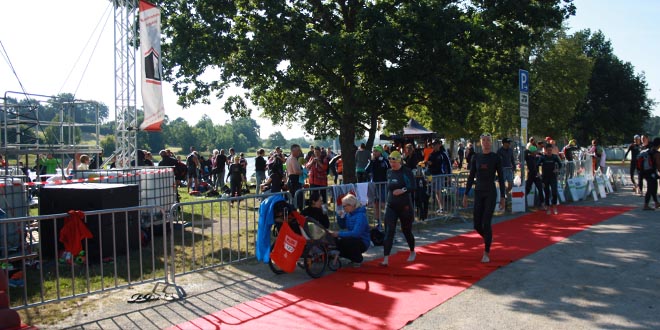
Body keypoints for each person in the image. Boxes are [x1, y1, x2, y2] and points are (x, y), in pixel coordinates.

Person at [462, 133, 506, 263]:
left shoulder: (495, 157)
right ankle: (488, 238)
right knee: (477, 224)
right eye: (484, 140)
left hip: (490, 192)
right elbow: (471, 177)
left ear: (491, 143)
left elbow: (502, 179)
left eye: (488, 140)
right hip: (479, 192)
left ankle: (486, 252)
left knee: (486, 222)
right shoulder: (476, 157)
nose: (486, 143)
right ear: (480, 143)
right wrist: (465, 194)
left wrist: (503, 196)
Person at [379, 150, 416, 267]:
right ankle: (385, 259)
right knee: (389, 231)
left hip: (404, 205)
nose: (392, 164)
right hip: (391, 205)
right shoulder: (389, 172)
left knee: (406, 230)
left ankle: (412, 251)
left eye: (394, 162)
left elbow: (413, 186)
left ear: (399, 161)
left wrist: (402, 190)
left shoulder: (406, 171)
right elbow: (390, 187)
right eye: (390, 162)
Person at [330, 193, 370, 267]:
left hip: (362, 241)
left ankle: (357, 259)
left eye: (345, 206)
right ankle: (350, 256)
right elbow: (343, 226)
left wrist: (339, 234)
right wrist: (340, 217)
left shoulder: (361, 216)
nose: (344, 208)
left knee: (345, 241)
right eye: (343, 206)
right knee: (338, 240)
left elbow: (356, 233)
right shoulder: (349, 214)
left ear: (351, 205)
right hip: (354, 239)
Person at [365, 145, 390, 225]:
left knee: (383, 203)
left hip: (383, 184)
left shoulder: (385, 161)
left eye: (376, 151)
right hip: (374, 184)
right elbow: (366, 170)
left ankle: (388, 218)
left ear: (380, 152)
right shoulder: (372, 161)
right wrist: (371, 161)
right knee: (376, 204)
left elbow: (390, 169)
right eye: (373, 151)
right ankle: (378, 221)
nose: (374, 153)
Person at [427, 139, 452, 214]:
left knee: (438, 191)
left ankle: (442, 208)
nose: (434, 146)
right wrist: (428, 163)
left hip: (439, 174)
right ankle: (433, 206)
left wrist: (449, 175)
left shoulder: (443, 154)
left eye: (435, 144)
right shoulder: (431, 154)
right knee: (429, 190)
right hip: (431, 175)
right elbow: (428, 164)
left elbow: (448, 164)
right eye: (433, 145)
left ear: (439, 145)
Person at [538, 144, 562, 215]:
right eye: (548, 150)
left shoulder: (555, 157)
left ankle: (554, 206)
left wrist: (557, 169)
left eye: (550, 150)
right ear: (545, 150)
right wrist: (538, 173)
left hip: (553, 177)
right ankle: (548, 208)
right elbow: (536, 165)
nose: (549, 152)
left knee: (554, 192)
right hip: (545, 177)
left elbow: (560, 164)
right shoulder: (542, 157)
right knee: (547, 193)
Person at [524, 140, 545, 209]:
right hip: (530, 175)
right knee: (527, 189)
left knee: (540, 189)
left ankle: (542, 204)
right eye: (535, 151)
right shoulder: (528, 158)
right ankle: (523, 202)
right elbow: (525, 152)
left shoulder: (537, 157)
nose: (536, 152)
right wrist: (529, 150)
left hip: (536, 175)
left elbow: (543, 156)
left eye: (536, 151)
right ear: (532, 152)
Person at [641, 137, 660, 210]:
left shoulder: (649, 151)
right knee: (650, 189)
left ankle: (656, 203)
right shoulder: (656, 153)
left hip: (645, 172)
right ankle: (646, 205)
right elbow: (658, 165)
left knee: (653, 187)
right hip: (651, 173)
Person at [286, 144, 303, 208]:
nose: (299, 152)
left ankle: (294, 212)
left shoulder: (288, 158)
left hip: (291, 179)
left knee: (293, 198)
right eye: (298, 150)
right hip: (295, 180)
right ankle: (299, 213)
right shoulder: (293, 159)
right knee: (298, 198)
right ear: (293, 151)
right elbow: (296, 171)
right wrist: (304, 172)